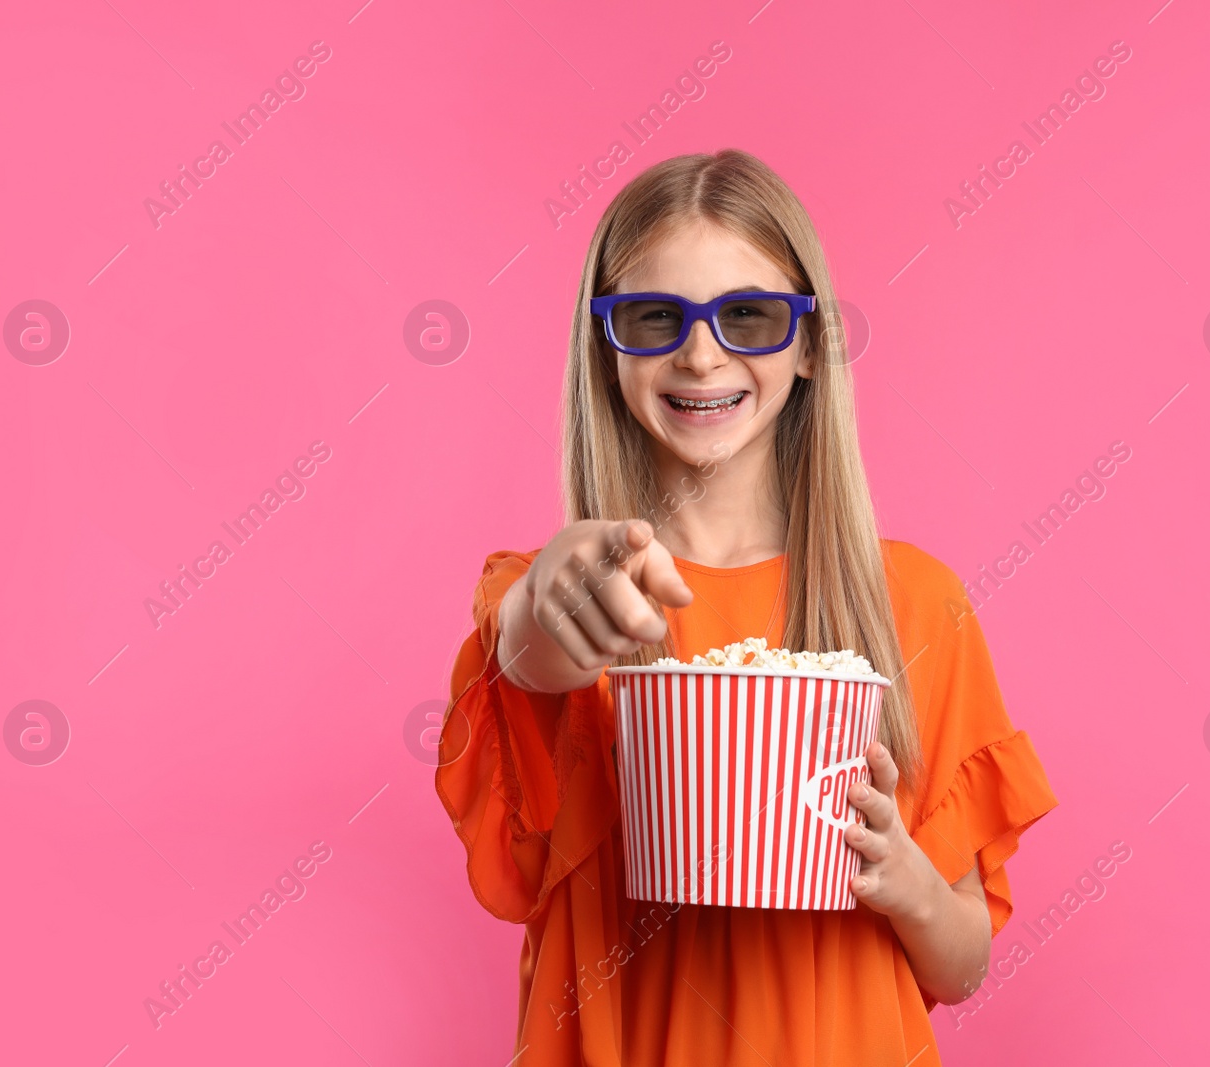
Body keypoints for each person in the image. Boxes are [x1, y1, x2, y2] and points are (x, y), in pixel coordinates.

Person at [436, 148, 1058, 1065]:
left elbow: (962, 965)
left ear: (809, 344)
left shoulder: (916, 606)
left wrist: (904, 880)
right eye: (654, 316)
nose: (700, 353)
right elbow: (536, 648)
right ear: (605, 349)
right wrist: (547, 603)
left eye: (749, 316)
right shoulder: (569, 593)